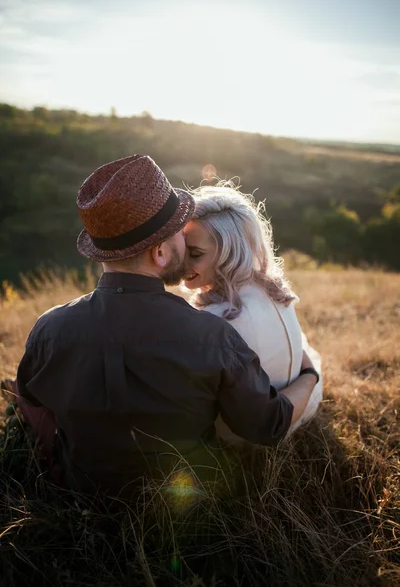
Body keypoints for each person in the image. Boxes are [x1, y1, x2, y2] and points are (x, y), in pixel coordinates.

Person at [15, 155, 319, 498]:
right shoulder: (213, 337)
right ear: (160, 254)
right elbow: (269, 424)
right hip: (183, 509)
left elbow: (30, 400)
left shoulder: (49, 329)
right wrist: (310, 375)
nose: (184, 244)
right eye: (178, 233)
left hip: (77, 494)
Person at [183, 180, 323, 440]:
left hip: (249, 435)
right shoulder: (272, 291)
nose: (182, 262)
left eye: (195, 254)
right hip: (293, 408)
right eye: (182, 248)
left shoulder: (218, 321)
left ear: (229, 254)